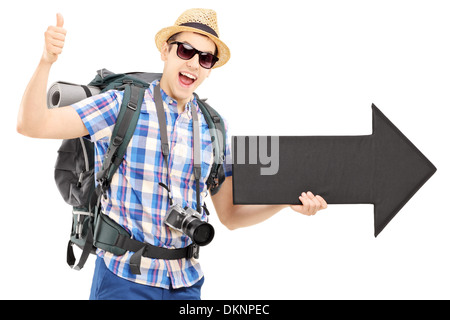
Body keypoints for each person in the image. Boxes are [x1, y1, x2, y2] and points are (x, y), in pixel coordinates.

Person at [17, 8, 328, 300]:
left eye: (205, 58)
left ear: (210, 69)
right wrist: (46, 61)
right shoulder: (121, 106)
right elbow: (31, 125)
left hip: (187, 284)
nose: (193, 62)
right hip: (123, 280)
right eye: (185, 50)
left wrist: (284, 203)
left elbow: (230, 217)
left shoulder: (214, 128)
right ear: (165, 51)